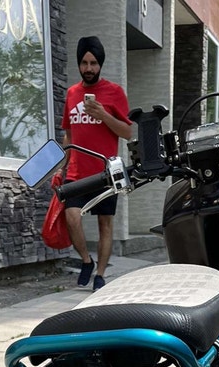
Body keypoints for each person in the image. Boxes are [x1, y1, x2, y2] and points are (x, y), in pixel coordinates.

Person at [61, 36, 132, 289]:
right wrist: (62, 166)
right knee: (71, 218)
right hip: (77, 172)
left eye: (93, 63)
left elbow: (127, 132)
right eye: (84, 62)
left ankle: (100, 275)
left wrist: (103, 114)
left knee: (105, 223)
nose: (88, 68)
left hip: (105, 171)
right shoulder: (71, 94)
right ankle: (85, 260)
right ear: (79, 64)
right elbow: (68, 134)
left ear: (100, 64)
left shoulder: (114, 92)